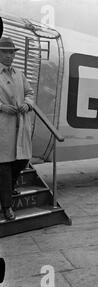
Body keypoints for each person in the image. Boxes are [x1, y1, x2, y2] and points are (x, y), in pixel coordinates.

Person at [0, 37, 35, 221]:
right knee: (4, 166)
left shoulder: (19, 74)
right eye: (5, 52)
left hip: (19, 126)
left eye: (11, 52)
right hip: (2, 126)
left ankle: (6, 189)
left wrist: (27, 105)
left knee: (22, 160)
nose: (9, 55)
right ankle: (7, 206)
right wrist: (1, 106)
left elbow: (29, 92)